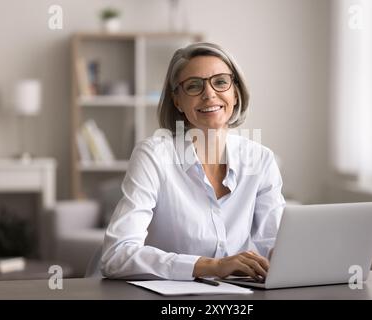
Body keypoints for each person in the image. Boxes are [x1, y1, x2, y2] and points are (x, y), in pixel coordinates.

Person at [101, 42, 285, 281]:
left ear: (235, 93)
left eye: (220, 82)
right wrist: (212, 266)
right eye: (194, 86)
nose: (209, 94)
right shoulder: (154, 155)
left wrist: (285, 260)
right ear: (177, 101)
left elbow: (275, 246)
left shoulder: (261, 160)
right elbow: (116, 256)